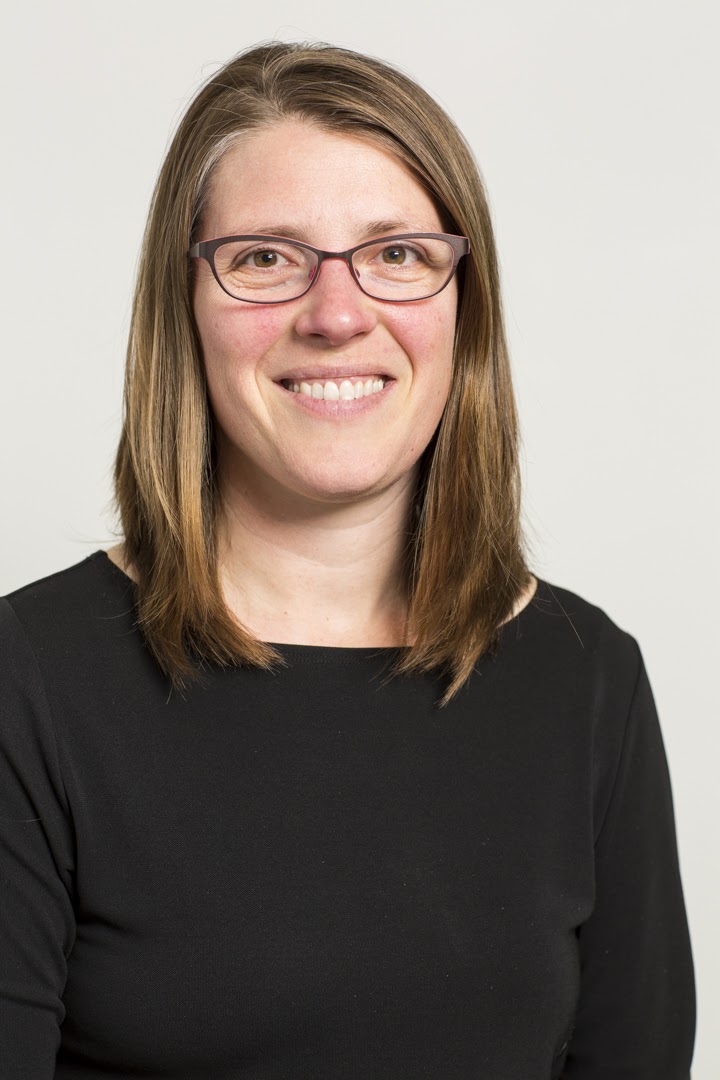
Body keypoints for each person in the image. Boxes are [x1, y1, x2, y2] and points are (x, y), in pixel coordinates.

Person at [0, 41, 695, 1079]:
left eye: (398, 254)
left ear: (465, 311)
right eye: (266, 257)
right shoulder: (27, 675)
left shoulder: (587, 676)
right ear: (183, 306)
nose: (335, 314)